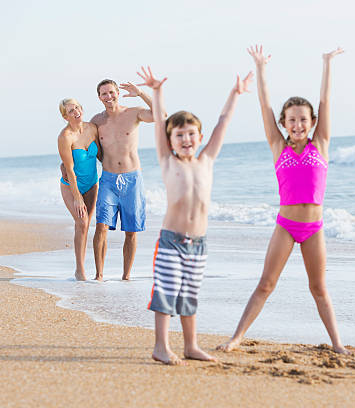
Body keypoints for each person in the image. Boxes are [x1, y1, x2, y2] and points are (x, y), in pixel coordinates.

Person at [218, 45, 349, 354]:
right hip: (286, 226)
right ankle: (236, 338)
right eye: (291, 120)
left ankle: (338, 344)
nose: (298, 125)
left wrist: (327, 63)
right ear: (284, 123)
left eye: (303, 119)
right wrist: (261, 69)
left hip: (314, 228)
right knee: (266, 284)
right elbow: (264, 106)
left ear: (312, 121)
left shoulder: (322, 144)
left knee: (319, 288)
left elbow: (326, 100)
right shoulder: (279, 147)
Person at [137, 66, 253, 365]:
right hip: (171, 241)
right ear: (170, 140)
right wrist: (158, 92)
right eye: (179, 135)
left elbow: (223, 123)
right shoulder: (167, 162)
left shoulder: (207, 161)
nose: (186, 139)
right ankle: (161, 346)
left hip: (198, 244)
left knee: (189, 295)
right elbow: (160, 122)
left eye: (191, 134)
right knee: (166, 291)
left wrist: (235, 93)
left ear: (199, 136)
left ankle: (191, 345)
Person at [91, 79, 155, 281]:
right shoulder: (96, 121)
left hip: (132, 179)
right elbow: (87, 146)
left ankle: (126, 276)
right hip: (108, 180)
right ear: (99, 98)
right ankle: (99, 275)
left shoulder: (133, 113)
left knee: (131, 231)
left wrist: (141, 93)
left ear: (118, 93)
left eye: (111, 92)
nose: (108, 96)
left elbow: (160, 115)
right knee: (101, 226)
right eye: (104, 94)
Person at [57, 98, 100, 281]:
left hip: (92, 183)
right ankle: (80, 271)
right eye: (70, 111)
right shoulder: (65, 137)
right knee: (81, 223)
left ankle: (84, 268)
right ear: (65, 116)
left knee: (86, 226)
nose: (76, 112)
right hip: (71, 185)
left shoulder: (92, 128)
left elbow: (102, 155)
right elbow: (69, 170)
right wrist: (77, 197)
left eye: (77, 107)